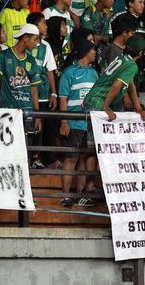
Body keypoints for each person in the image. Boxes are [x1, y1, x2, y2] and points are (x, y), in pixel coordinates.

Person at [58, 40, 99, 208]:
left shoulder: (95, 73)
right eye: (93, 50)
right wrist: (64, 121)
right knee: (71, 158)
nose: (95, 53)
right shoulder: (69, 72)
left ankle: (82, 194)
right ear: (85, 52)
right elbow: (63, 98)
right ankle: (66, 195)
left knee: (86, 158)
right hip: (74, 122)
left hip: (90, 123)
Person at [83, 34, 145, 121]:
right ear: (141, 53)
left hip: (93, 100)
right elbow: (116, 85)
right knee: (94, 135)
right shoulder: (131, 65)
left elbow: (131, 85)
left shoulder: (122, 57)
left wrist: (138, 108)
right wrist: (105, 108)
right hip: (97, 102)